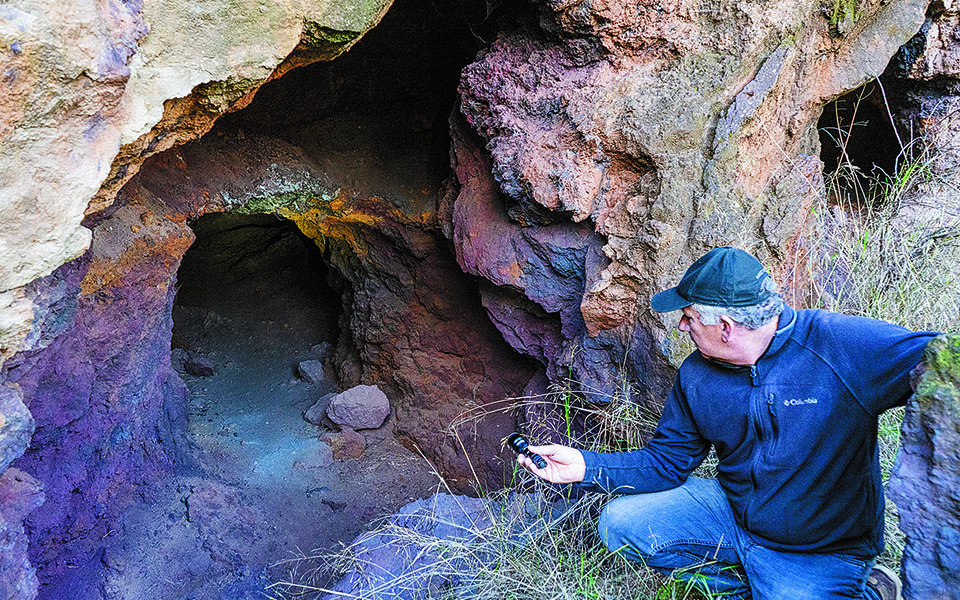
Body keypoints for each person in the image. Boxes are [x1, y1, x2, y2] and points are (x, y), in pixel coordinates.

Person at [517, 246, 935, 600]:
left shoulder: (841, 348)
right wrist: (586, 467)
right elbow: (666, 463)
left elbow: (941, 360)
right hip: (731, 513)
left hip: (818, 549)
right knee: (618, 525)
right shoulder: (697, 374)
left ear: (727, 327)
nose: (681, 325)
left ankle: (871, 588)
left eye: (689, 317)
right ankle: (743, 587)